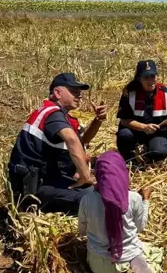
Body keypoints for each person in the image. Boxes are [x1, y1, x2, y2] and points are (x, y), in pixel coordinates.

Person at [7, 73, 107, 215]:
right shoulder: (52, 114)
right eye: (74, 91)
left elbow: (82, 140)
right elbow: (72, 140)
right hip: (35, 189)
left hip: (49, 179)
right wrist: (86, 176)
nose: (79, 95)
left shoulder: (62, 116)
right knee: (92, 200)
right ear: (57, 93)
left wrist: (97, 120)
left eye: (80, 92)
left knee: (96, 192)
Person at [78, 151, 155, 273]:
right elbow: (140, 227)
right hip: (130, 255)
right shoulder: (133, 198)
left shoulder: (87, 200)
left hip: (99, 263)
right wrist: (146, 200)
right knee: (149, 272)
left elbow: (82, 231)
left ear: (98, 174)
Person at [116, 60, 167, 166]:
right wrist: (143, 127)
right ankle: (130, 159)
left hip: (157, 133)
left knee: (159, 152)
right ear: (139, 78)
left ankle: (148, 155)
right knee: (124, 135)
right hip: (134, 131)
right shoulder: (129, 94)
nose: (151, 80)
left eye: (153, 76)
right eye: (146, 77)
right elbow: (124, 120)